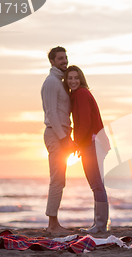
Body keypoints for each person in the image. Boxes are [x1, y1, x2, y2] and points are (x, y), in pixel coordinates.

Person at [63, 65, 111, 233]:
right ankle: (98, 224)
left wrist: (76, 143)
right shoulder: (78, 94)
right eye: (70, 78)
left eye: (76, 78)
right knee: (96, 184)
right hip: (91, 143)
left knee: (96, 184)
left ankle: (100, 225)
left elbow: (84, 122)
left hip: (93, 143)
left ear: (81, 79)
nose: (73, 81)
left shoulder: (82, 94)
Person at [41, 46, 75, 234]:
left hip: (61, 134)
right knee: (57, 180)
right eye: (60, 58)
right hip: (55, 134)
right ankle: (53, 225)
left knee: (59, 180)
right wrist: (63, 138)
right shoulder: (51, 82)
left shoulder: (60, 81)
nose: (64, 61)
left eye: (65, 57)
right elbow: (51, 113)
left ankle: (54, 223)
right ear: (52, 61)